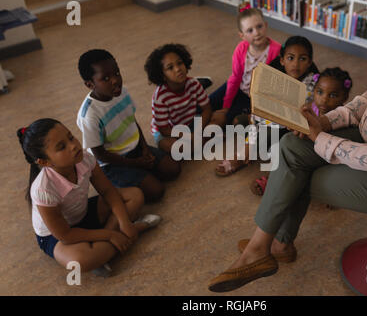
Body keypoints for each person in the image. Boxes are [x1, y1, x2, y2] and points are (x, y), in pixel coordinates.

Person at [208, 0, 367, 292]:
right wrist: (325, 122)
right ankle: (271, 245)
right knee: (291, 147)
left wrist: (321, 139)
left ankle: (266, 247)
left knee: (300, 174)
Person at [18, 118, 161, 276]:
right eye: (61, 147)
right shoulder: (43, 190)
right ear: (44, 162)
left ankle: (108, 247)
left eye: (70, 137)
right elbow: (65, 235)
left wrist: (124, 221)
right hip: (58, 235)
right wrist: (110, 234)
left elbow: (108, 191)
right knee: (79, 261)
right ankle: (135, 230)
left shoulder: (84, 158)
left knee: (134, 195)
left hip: (82, 213)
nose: (73, 146)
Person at [76, 49, 180, 203]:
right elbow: (100, 155)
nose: (115, 80)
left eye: (116, 73)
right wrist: (136, 163)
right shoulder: (89, 115)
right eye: (105, 78)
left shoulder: (122, 92)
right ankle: (116, 183)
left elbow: (132, 121)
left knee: (173, 170)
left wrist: (144, 148)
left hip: (135, 149)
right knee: (156, 191)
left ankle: (140, 174)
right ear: (90, 84)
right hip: (112, 164)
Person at [214, 35, 319, 177]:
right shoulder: (273, 77)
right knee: (240, 121)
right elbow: (260, 112)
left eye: (302, 59)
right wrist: (250, 140)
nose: (296, 64)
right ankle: (251, 149)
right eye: (290, 58)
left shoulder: (313, 82)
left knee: (271, 142)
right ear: (282, 60)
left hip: (292, 129)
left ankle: (245, 155)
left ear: (309, 62)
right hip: (269, 120)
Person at [251, 67, 353, 196]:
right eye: (320, 92)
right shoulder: (311, 108)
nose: (324, 99)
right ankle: (272, 178)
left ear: (345, 97)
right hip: (305, 149)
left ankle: (331, 191)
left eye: (333, 95)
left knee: (314, 177)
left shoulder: (342, 117)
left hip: (326, 156)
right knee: (285, 151)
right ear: (314, 90)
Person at [209, 3, 282, 126]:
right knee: (208, 103)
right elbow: (235, 77)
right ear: (242, 35)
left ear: (266, 25)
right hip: (239, 85)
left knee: (230, 120)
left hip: (255, 98)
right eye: (250, 30)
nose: (257, 32)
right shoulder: (241, 49)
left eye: (259, 26)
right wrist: (226, 105)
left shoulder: (276, 50)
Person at [145, 43, 218, 154]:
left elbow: (207, 109)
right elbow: (164, 129)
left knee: (220, 118)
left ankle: (198, 143)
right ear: (162, 75)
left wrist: (197, 132)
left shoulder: (193, 83)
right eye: (170, 67)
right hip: (170, 131)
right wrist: (188, 136)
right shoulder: (160, 97)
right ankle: (201, 142)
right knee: (170, 146)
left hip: (191, 123)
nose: (178, 69)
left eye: (180, 63)